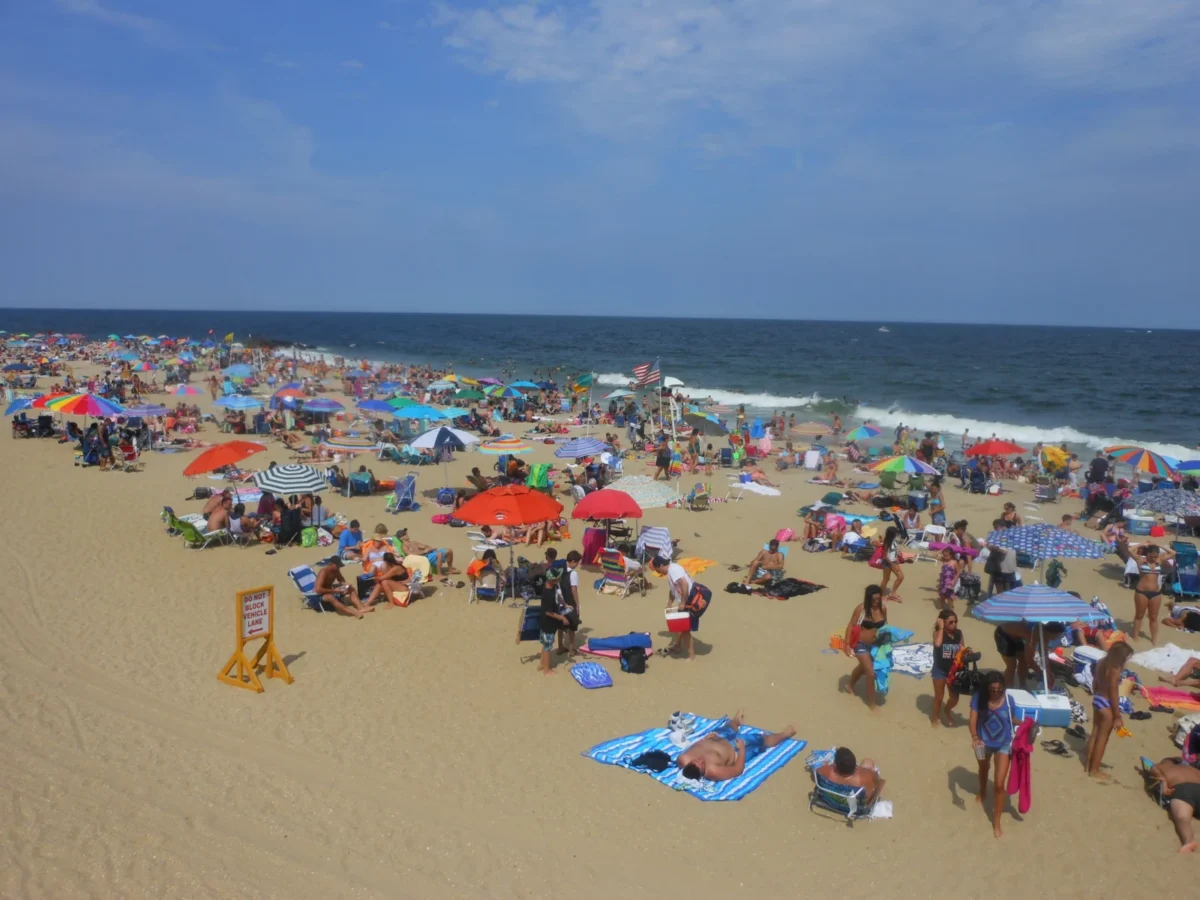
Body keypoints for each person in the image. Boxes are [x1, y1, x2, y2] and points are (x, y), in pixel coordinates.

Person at [676, 709, 796, 782]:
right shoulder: (713, 771)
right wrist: (742, 749)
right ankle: (784, 734)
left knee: (727, 728)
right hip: (735, 749)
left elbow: (692, 749)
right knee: (761, 739)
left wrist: (704, 739)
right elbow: (738, 770)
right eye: (702, 764)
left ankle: (736, 721)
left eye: (695, 761)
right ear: (703, 772)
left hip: (716, 738)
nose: (700, 760)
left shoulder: (684, 759)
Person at [970, 671, 1018, 838]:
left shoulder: (1009, 700)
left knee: (999, 784)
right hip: (983, 742)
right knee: (983, 768)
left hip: (1004, 744)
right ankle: (982, 791)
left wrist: (1028, 724)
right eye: (992, 689)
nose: (996, 692)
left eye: (999, 689)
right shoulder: (978, 698)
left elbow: (1012, 719)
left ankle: (996, 823)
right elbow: (972, 721)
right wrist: (975, 737)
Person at [1084, 642, 1134, 782]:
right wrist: (1117, 716)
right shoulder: (1115, 670)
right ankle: (1094, 770)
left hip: (1098, 699)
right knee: (1103, 739)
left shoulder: (1101, 663)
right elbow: (1113, 693)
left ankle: (1087, 765)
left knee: (1094, 734)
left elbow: (1094, 682)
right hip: (1107, 705)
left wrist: (1097, 695)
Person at [651, 555, 704, 660]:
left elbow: (684, 584)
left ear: (661, 566)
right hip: (685, 600)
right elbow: (673, 589)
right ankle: (678, 646)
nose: (658, 573)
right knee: (680, 625)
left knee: (685, 629)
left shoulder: (673, 570)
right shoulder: (671, 571)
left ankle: (691, 655)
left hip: (690, 600)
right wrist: (670, 602)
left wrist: (683, 603)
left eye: (658, 570)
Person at [844, 585, 887, 711]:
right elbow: (851, 626)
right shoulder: (861, 609)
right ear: (868, 598)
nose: (876, 602)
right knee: (870, 672)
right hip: (860, 644)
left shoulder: (883, 608)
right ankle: (872, 704)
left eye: (878, 599)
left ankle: (850, 684)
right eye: (874, 600)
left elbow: (885, 626)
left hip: (876, 645)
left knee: (863, 667)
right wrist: (846, 644)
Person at [1147, 757, 1200, 853]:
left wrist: (1164, 785)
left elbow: (1160, 777)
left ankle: (1189, 841)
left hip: (1182, 790)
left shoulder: (1159, 766)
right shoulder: (1192, 769)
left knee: (1183, 818)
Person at [527, 566, 569, 676]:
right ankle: (546, 670)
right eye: (558, 578)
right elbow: (548, 612)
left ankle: (542, 663)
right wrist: (562, 617)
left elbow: (557, 597)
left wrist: (564, 604)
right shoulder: (548, 594)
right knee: (547, 647)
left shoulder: (552, 586)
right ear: (552, 580)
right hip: (548, 623)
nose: (560, 579)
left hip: (549, 622)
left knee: (546, 644)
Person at [1133, 544, 1176, 644]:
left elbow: (1173, 552)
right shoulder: (1140, 560)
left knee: (1153, 617)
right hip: (1141, 592)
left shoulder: (1159, 560)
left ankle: (1154, 639)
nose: (1154, 558)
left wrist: (1159, 546)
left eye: (1156, 556)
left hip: (1156, 593)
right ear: (1147, 554)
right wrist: (1143, 544)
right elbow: (1129, 550)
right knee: (1139, 615)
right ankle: (1135, 637)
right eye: (1152, 556)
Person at [930, 610, 964, 728]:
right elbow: (938, 644)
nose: (954, 624)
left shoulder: (959, 633)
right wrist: (940, 628)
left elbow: (962, 650)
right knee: (939, 697)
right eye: (951, 622)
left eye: (955, 622)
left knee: (954, 698)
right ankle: (935, 717)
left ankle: (947, 710)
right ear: (943, 622)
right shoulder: (938, 633)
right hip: (940, 669)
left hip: (953, 671)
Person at [816, 747, 885, 805]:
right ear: (855, 766)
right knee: (867, 762)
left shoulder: (826, 772)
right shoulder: (864, 777)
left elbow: (817, 771)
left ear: (836, 766)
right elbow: (878, 784)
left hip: (830, 802)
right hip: (856, 808)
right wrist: (867, 771)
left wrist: (826, 765)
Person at [556, 550, 583, 656]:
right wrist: (577, 605)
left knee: (560, 625)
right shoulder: (573, 574)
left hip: (560, 602)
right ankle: (571, 649)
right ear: (572, 561)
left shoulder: (560, 570)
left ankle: (560, 647)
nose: (577, 565)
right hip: (570, 602)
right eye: (577, 563)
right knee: (572, 625)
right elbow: (574, 590)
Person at [994, 622, 1033, 687]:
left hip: (1018, 637)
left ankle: (1023, 685)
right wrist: (1039, 672)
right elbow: (1029, 659)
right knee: (1011, 665)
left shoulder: (1038, 630)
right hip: (1003, 635)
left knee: (1024, 661)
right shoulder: (1028, 633)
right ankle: (1008, 689)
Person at [877, 525, 905, 602]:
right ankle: (882, 595)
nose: (897, 534)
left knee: (900, 577)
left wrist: (898, 553)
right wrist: (893, 564)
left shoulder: (893, 540)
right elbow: (885, 556)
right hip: (888, 562)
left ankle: (892, 593)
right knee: (886, 579)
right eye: (895, 533)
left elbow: (893, 549)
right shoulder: (887, 543)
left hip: (894, 561)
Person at [937, 547, 960, 612]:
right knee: (942, 595)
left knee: (949, 597)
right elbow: (934, 556)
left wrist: (954, 581)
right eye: (944, 556)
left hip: (950, 581)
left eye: (947, 556)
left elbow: (958, 572)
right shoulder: (944, 560)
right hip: (943, 581)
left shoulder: (954, 562)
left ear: (951, 555)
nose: (945, 557)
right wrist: (940, 551)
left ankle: (950, 608)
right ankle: (941, 607)